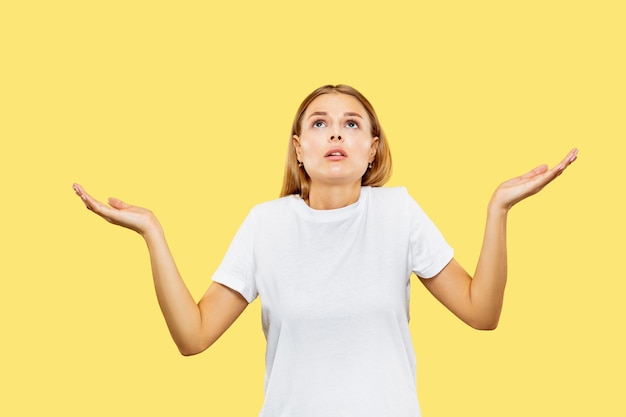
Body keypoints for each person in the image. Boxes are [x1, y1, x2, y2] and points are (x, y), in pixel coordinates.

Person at [73, 84, 578, 416]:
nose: (336, 131)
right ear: (299, 148)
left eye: (352, 123)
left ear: (372, 147)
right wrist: (152, 232)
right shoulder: (264, 225)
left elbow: (482, 312)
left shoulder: (398, 213)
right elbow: (193, 336)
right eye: (319, 122)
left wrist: (498, 210)